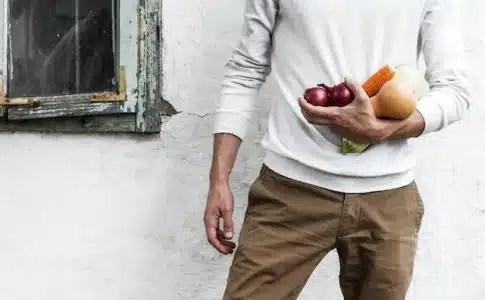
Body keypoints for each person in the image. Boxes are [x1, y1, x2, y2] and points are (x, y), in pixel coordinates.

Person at [203, 0, 471, 299]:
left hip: (388, 200)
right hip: (289, 193)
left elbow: (454, 89)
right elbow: (245, 71)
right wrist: (218, 180)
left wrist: (385, 130)